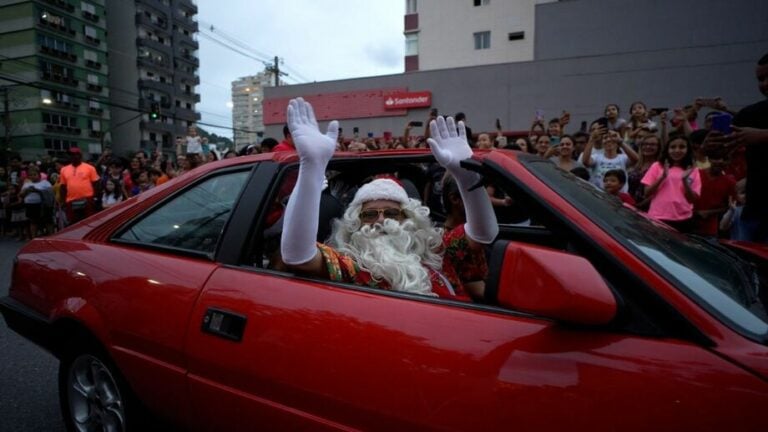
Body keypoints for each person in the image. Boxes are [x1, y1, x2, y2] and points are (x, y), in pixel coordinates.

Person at [279, 98, 498, 301]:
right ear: (355, 224)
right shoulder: (354, 267)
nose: (381, 220)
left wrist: (467, 175)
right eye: (370, 214)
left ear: (409, 219)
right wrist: (312, 167)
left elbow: (484, 233)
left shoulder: (435, 251)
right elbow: (297, 255)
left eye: (392, 213)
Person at [717, 52, 768, 242]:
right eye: (760, 79)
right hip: (755, 210)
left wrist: (762, 135)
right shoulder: (751, 113)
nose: (764, 84)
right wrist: (711, 146)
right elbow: (723, 146)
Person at [641, 134, 701, 232]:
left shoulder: (693, 169)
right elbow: (646, 193)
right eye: (673, 147)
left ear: (687, 149)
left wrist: (685, 180)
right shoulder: (657, 166)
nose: (677, 150)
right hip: (658, 217)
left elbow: (692, 199)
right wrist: (662, 177)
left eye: (682, 147)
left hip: (684, 219)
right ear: (667, 149)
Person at [59, 147, 100, 225]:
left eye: (75, 155)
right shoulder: (63, 170)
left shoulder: (90, 168)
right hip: (71, 201)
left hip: (87, 200)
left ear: (80, 156)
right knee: (73, 224)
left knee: (89, 222)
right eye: (71, 155)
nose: (73, 157)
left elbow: (96, 184)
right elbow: (63, 187)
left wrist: (94, 198)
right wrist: (63, 201)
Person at [19, 165, 53, 238]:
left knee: (47, 221)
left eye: (34, 174)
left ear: (39, 175)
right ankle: (34, 237)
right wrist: (26, 191)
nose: (32, 176)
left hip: (42, 205)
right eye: (30, 175)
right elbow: (21, 195)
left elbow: (50, 194)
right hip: (30, 205)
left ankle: (51, 236)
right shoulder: (27, 184)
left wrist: (38, 191)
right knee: (33, 221)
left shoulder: (45, 183)